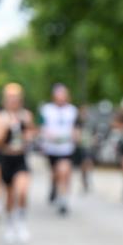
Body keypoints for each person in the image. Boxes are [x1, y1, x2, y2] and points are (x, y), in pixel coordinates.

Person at [0, 83, 35, 244]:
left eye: (16, 98)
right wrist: (6, 128)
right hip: (6, 158)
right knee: (9, 196)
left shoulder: (26, 116)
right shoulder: (0, 117)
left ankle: (22, 222)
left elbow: (31, 133)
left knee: (22, 191)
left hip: (20, 158)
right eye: (10, 98)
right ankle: (10, 225)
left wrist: (27, 137)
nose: (13, 101)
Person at [40, 83, 79, 215]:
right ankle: (54, 188)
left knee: (64, 171)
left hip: (66, 148)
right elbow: (42, 126)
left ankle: (63, 200)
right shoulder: (47, 109)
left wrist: (75, 138)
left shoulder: (72, 110)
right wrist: (47, 136)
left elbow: (76, 127)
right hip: (52, 148)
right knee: (56, 173)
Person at [75, 105, 96, 193]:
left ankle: (88, 176)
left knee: (89, 162)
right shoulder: (78, 122)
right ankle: (84, 179)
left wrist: (94, 140)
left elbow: (95, 133)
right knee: (83, 163)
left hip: (89, 145)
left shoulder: (91, 122)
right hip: (81, 146)